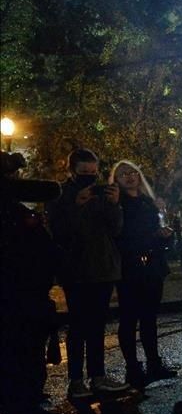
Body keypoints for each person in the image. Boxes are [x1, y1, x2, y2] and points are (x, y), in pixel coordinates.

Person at [46, 148, 130, 398]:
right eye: (84, 173)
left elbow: (116, 230)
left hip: (103, 268)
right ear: (71, 171)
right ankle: (75, 381)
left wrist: (116, 205)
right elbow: (59, 232)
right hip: (76, 270)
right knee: (78, 326)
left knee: (97, 325)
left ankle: (98, 376)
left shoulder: (103, 194)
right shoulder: (59, 196)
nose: (90, 178)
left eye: (93, 173)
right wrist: (75, 205)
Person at [0, 151, 61, 414]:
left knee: (26, 357)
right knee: (19, 357)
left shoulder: (14, 208)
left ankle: (26, 409)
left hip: (29, 295)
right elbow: (50, 190)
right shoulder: (9, 211)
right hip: (17, 297)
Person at [112, 160, 176, 388]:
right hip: (129, 267)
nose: (129, 177)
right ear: (116, 180)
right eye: (123, 175)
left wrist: (165, 235)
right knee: (129, 318)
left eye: (133, 173)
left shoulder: (149, 203)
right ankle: (132, 367)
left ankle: (154, 363)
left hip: (152, 265)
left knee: (149, 318)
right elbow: (121, 235)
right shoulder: (118, 205)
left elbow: (160, 231)